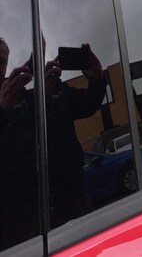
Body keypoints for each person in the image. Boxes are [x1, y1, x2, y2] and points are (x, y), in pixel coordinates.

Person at [0, 37, 105, 250]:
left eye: (2, 62)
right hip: (20, 224)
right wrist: (2, 112)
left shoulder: (41, 92)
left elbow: (87, 105)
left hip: (73, 201)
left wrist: (97, 81)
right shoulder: (10, 101)